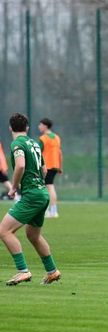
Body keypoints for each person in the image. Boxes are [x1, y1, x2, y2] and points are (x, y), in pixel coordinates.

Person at [0, 113, 61, 285]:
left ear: (10, 128)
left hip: (32, 195)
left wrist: (14, 187)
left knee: (4, 231)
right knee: (33, 235)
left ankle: (23, 271)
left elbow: (20, 165)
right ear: (27, 127)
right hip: (42, 193)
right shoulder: (34, 143)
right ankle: (52, 271)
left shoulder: (17, 143)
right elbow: (44, 170)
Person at [38, 118, 62, 218]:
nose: (39, 127)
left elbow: (38, 153)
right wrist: (60, 166)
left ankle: (51, 211)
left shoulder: (43, 138)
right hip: (55, 165)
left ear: (45, 126)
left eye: (40, 125)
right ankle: (51, 210)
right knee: (49, 187)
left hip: (46, 166)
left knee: (48, 187)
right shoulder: (57, 137)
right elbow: (60, 153)